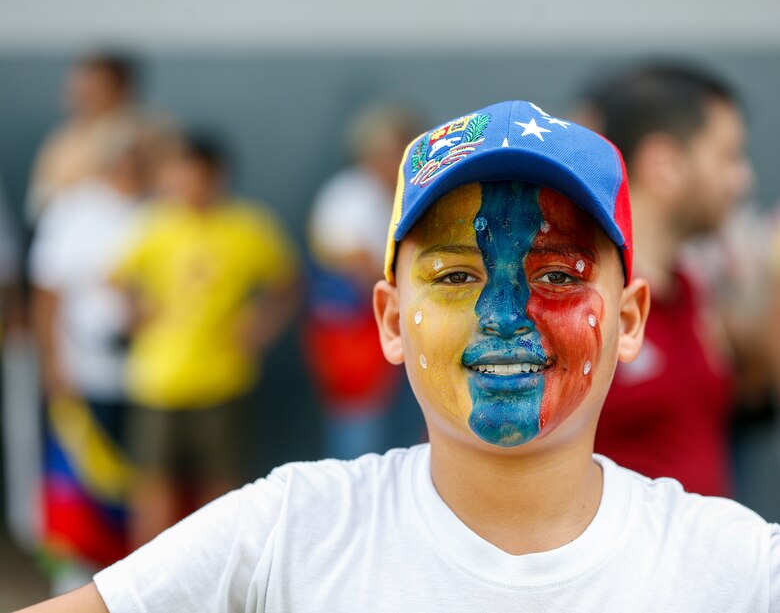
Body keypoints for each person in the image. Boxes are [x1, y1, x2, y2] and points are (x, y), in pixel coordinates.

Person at [17, 100, 779, 613]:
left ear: (629, 318)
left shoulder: (732, 566)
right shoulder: (291, 532)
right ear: (390, 320)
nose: (503, 315)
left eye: (556, 276)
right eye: (455, 277)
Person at [109, 133, 299, 549]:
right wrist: (135, 310)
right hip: (157, 380)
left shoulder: (250, 226)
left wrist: (261, 327)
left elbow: (287, 284)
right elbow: (114, 277)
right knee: (153, 488)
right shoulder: (153, 224)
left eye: (195, 174)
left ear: (217, 176)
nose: (185, 184)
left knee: (221, 490)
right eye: (178, 173)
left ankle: (214, 576)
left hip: (225, 378)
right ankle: (148, 577)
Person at [582, 65, 754, 497]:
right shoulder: (579, 299)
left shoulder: (690, 289)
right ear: (664, 165)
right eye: (728, 156)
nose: (742, 179)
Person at [28, 126, 152, 592]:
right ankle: (73, 582)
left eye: (138, 157)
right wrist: (51, 361)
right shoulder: (74, 209)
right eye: (121, 157)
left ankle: (129, 582)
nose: (129, 167)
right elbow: (47, 292)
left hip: (150, 378)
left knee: (141, 482)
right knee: (75, 475)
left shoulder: (161, 210)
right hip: (82, 368)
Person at [305, 103, 424, 458]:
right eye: (391, 151)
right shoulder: (348, 196)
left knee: (411, 428)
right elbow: (357, 266)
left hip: (408, 325)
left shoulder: (413, 192)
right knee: (360, 433)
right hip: (356, 329)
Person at [26, 50, 170, 223]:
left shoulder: (141, 128)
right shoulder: (64, 135)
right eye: (81, 83)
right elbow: (40, 197)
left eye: (96, 85)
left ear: (121, 88)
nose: (84, 92)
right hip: (61, 224)